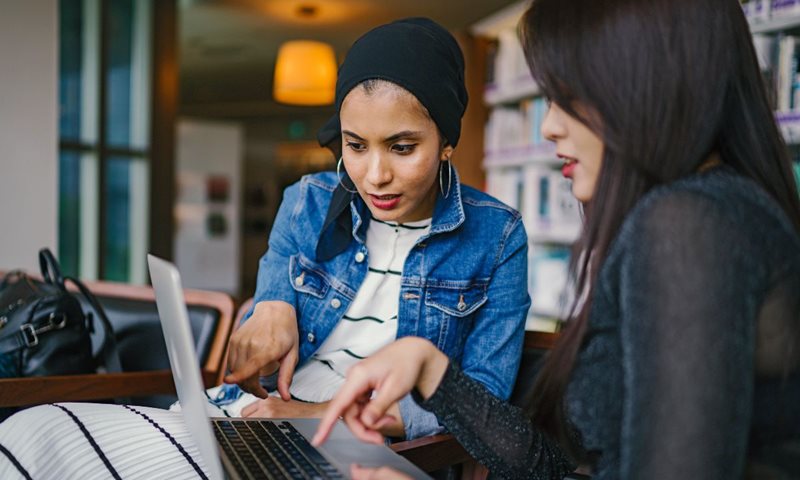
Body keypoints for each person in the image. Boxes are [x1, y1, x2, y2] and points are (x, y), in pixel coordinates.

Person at [0, 17, 531, 479]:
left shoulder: (497, 236)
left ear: (448, 142)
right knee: (33, 431)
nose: (375, 175)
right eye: (354, 145)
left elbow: (478, 404)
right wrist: (268, 306)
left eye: (402, 147)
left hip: (359, 451)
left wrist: (321, 414)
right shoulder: (307, 200)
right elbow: (261, 341)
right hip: (248, 418)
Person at [314, 0, 800, 478]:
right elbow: (559, 467)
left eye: (567, 97)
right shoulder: (709, 211)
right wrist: (432, 371)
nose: (548, 127)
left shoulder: (690, 225)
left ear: (646, 81)